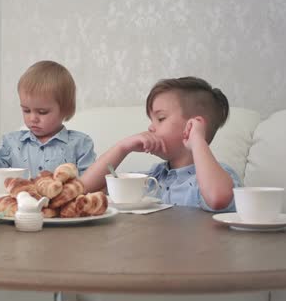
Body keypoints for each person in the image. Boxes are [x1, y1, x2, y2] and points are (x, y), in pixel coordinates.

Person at [81, 76, 241, 211]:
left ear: (193, 125)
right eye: (151, 120)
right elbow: (84, 189)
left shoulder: (220, 176)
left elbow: (218, 198)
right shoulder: (153, 178)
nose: (151, 127)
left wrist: (197, 140)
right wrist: (123, 147)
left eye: (161, 118)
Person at [0, 60, 96, 178]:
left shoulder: (80, 144)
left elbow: (91, 183)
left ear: (65, 109)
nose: (33, 118)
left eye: (42, 112)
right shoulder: (12, 143)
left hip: (64, 213)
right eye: (26, 110)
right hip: (18, 211)